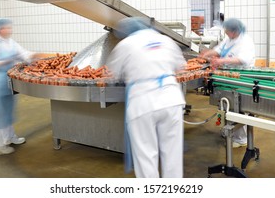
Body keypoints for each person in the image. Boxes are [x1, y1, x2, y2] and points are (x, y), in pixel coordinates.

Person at [106, 17, 186, 178]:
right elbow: (181, 69)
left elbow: (111, 75)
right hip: (171, 100)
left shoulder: (125, 45)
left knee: (146, 155)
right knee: (173, 155)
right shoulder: (166, 41)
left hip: (143, 103)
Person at [0, 18, 39, 158]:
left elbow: (23, 53)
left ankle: (10, 137)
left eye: (10, 27)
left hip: (7, 83)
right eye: (6, 28)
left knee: (8, 110)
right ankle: (0, 144)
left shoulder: (11, 42)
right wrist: (6, 61)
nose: (9, 30)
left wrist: (35, 56)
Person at [200, 17, 255, 148]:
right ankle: (231, 131)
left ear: (235, 31)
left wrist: (221, 61)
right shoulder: (229, 39)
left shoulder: (245, 41)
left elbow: (243, 60)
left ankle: (241, 139)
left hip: (241, 76)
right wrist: (207, 54)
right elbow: (219, 50)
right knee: (228, 105)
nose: (225, 33)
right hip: (228, 77)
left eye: (227, 31)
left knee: (238, 107)